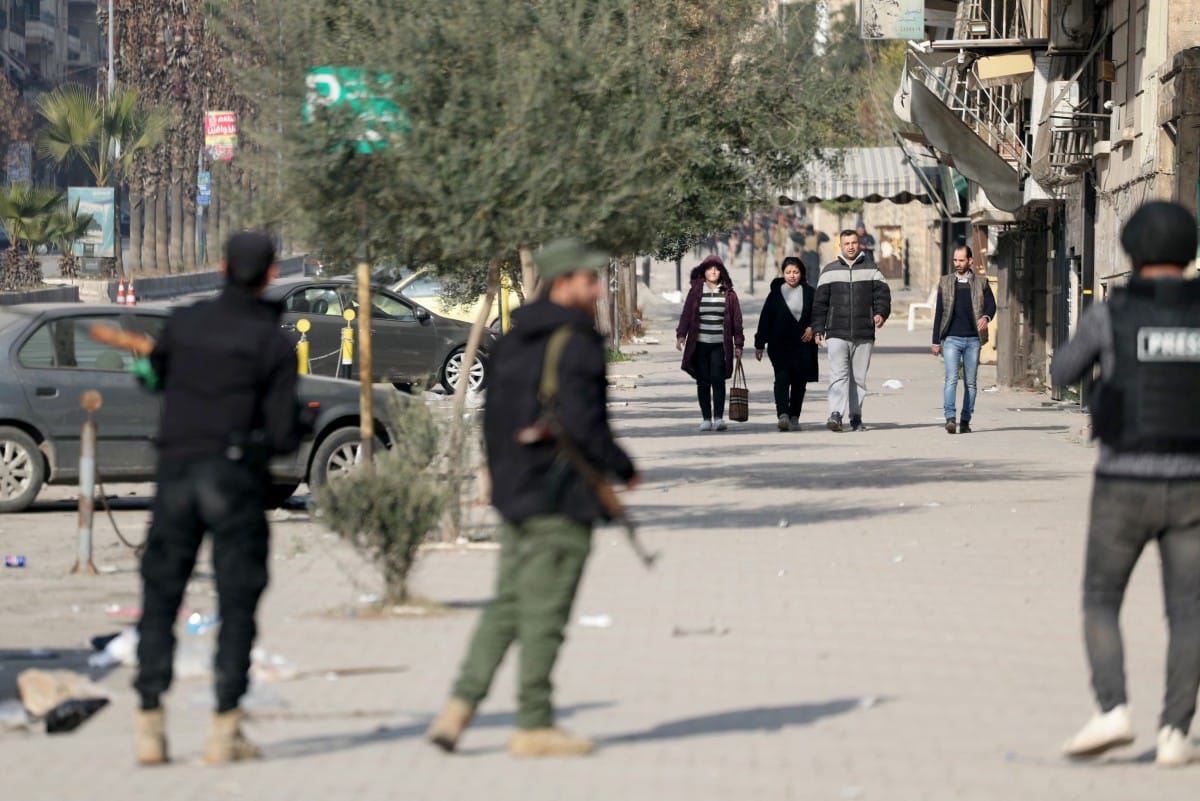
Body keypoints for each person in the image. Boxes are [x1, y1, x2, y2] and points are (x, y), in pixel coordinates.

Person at [426, 238, 638, 758]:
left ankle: (457, 709)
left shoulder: (513, 340)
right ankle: (533, 723)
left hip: (516, 494)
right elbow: (587, 425)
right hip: (560, 498)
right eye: (589, 280)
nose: (598, 289)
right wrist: (624, 469)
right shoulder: (578, 342)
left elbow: (491, 421)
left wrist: (498, 482)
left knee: (507, 605)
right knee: (546, 613)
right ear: (564, 283)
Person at [133, 232, 302, 765]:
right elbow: (282, 435)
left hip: (176, 472)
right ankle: (223, 732)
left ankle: (150, 726)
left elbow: (152, 377)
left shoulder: (184, 323)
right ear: (272, 274)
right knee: (236, 602)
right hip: (235, 480)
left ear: (222, 267)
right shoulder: (273, 343)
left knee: (161, 596)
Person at [1053, 201, 1200, 768]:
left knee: (1101, 598)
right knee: (1188, 611)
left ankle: (1113, 709)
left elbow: (1062, 372)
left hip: (1121, 482)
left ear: (1132, 252)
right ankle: (1176, 734)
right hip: (1193, 485)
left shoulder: (1110, 314)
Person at [812, 229, 891, 431]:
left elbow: (883, 295)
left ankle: (856, 417)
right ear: (840, 246)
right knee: (838, 375)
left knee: (858, 378)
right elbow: (819, 304)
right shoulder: (829, 271)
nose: (850, 247)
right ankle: (836, 414)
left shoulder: (872, 269)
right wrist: (818, 329)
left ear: (859, 244)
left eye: (854, 243)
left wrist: (881, 313)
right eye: (846, 243)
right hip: (836, 332)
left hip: (864, 333)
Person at [675, 255, 745, 431]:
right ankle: (706, 418)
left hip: (720, 345)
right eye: (709, 268)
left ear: (722, 272)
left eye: (717, 268)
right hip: (699, 345)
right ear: (703, 271)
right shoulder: (696, 292)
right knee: (703, 381)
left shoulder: (729, 294)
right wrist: (681, 335)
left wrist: (738, 344)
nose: (713, 271)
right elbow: (686, 315)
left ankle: (718, 418)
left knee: (718, 380)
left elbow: (737, 321)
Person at [931, 245, 996, 434]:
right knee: (951, 379)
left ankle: (966, 420)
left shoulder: (981, 283)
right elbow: (939, 313)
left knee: (970, 382)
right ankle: (950, 418)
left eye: (961, 260)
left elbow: (991, 305)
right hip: (951, 339)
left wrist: (986, 318)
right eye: (955, 260)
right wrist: (936, 341)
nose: (957, 264)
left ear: (970, 261)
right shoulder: (945, 282)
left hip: (973, 340)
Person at [755, 257, 818, 431]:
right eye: (788, 272)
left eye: (795, 272)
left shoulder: (810, 293)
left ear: (801, 273)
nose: (792, 275)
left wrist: (813, 327)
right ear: (783, 273)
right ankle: (783, 414)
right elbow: (765, 319)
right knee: (782, 378)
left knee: (799, 382)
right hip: (779, 345)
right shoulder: (775, 293)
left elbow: (819, 314)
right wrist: (759, 344)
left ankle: (794, 416)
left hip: (803, 345)